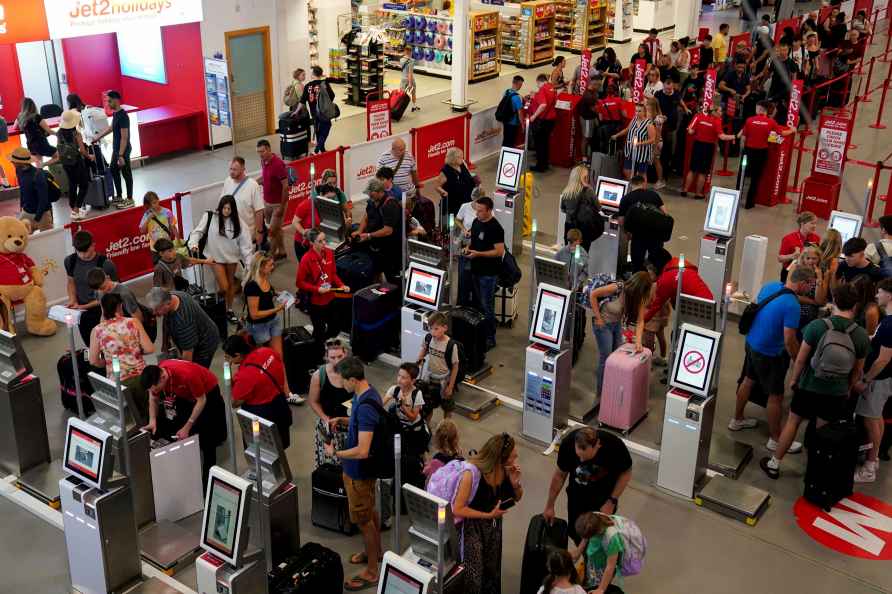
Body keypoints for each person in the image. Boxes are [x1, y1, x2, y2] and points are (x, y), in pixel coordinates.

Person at [760, 283, 870, 479]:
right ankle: (815, 470)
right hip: (836, 391)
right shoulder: (861, 335)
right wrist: (848, 387)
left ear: (834, 301)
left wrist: (794, 380)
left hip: (809, 385)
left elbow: (801, 359)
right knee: (822, 430)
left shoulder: (817, 326)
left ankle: (774, 463)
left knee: (793, 422)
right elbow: (857, 369)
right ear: (855, 306)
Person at [730, 267, 817, 450]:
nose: (811, 288)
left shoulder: (770, 286)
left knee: (748, 380)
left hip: (752, 343)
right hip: (771, 354)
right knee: (776, 396)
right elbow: (789, 339)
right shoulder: (792, 305)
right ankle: (776, 439)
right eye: (810, 284)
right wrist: (797, 360)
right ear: (802, 283)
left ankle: (737, 420)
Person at [324, 356, 384, 592]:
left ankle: (372, 571)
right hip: (356, 472)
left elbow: (362, 450)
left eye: (343, 382)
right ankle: (375, 552)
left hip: (359, 473)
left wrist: (336, 453)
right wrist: (345, 420)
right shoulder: (365, 394)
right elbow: (360, 424)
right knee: (369, 512)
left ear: (352, 379)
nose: (342, 386)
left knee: (364, 521)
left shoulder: (367, 405)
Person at [451, 433, 523, 594]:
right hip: (472, 529)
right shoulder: (472, 474)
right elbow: (458, 508)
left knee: (492, 570)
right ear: (500, 458)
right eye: (513, 454)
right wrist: (489, 515)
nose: (516, 456)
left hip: (494, 527)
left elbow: (516, 498)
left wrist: (515, 483)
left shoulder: (504, 472)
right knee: (474, 574)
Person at [140, 361, 226, 486]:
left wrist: (187, 426)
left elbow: (201, 401)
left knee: (208, 438)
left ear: (163, 378)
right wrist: (152, 420)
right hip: (185, 395)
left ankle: (207, 482)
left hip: (207, 394)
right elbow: (153, 398)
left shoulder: (187, 375)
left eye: (157, 388)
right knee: (179, 426)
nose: (156, 391)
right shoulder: (156, 376)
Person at [543, 426, 632, 545]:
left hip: (603, 504)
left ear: (598, 445)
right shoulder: (568, 444)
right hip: (577, 501)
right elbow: (560, 475)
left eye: (585, 457)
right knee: (578, 535)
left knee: (599, 542)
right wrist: (550, 506)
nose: (581, 460)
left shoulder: (614, 446)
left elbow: (626, 473)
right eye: (578, 456)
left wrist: (611, 501)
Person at [188, 195, 253, 322]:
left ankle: (228, 309)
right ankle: (217, 305)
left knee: (230, 285)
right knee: (224, 287)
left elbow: (246, 246)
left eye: (229, 209)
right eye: (224, 208)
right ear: (220, 207)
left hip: (232, 259)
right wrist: (193, 244)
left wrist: (250, 264)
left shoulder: (239, 223)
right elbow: (197, 232)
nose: (227, 211)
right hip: (215, 258)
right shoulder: (210, 216)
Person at [89, 293, 154, 419]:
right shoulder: (133, 322)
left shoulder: (97, 330)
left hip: (117, 381)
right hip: (140, 376)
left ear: (102, 309)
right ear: (120, 306)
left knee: (130, 420)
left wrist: (107, 361)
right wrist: (134, 352)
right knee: (147, 414)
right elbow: (150, 348)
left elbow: (93, 360)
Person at [223, 334, 293, 449]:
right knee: (279, 447)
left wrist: (228, 370)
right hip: (280, 407)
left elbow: (235, 402)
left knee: (260, 452)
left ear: (237, 355)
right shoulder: (267, 352)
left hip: (260, 417)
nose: (228, 360)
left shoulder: (245, 376)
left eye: (229, 357)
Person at [853, 278, 892, 482]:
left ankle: (869, 467)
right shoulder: (887, 320)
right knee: (876, 418)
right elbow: (878, 342)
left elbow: (883, 359)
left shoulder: (889, 325)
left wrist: (866, 379)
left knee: (870, 419)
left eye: (880, 292)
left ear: (889, 295)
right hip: (883, 380)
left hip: (879, 380)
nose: (877, 295)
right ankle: (873, 458)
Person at [590, 271, 652, 395]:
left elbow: (640, 321)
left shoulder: (639, 297)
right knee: (606, 358)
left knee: (616, 357)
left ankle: (611, 386)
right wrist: (598, 318)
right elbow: (593, 295)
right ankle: (601, 393)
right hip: (603, 324)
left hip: (616, 324)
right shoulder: (617, 288)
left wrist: (638, 341)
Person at [297, 229, 348, 350]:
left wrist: (341, 285)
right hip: (315, 302)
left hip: (330, 297)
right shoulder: (306, 259)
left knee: (335, 326)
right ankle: (317, 353)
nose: (324, 243)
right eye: (320, 241)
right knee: (319, 330)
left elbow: (333, 273)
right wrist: (317, 289)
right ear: (311, 243)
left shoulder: (330, 253)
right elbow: (299, 282)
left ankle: (323, 343)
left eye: (325, 239)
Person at [145, 287, 221, 369]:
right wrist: (165, 342)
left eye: (157, 309)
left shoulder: (183, 321)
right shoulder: (172, 295)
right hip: (199, 332)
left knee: (198, 372)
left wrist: (184, 371)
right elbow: (166, 319)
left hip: (205, 344)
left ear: (168, 303)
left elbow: (187, 353)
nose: (154, 313)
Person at [65, 230, 119, 343]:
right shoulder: (70, 261)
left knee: (108, 344)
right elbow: (71, 282)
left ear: (93, 245)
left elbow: (113, 293)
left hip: (103, 310)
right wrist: (73, 300)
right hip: (82, 312)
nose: (83, 255)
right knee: (90, 344)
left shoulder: (106, 264)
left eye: (86, 251)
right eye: (79, 252)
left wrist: (85, 305)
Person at [737, 101, 793, 209]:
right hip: (761, 153)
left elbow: (743, 138)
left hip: (748, 151)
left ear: (760, 109)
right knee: (755, 178)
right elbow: (782, 133)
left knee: (742, 175)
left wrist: (743, 152)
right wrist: (792, 130)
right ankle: (749, 203)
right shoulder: (771, 122)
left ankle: (736, 199)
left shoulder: (749, 120)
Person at [466, 196, 505, 350]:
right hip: (475, 269)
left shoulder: (496, 228)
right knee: (478, 304)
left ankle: (490, 337)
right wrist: (468, 248)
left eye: (481, 211)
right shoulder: (476, 222)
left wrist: (478, 254)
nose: (477, 213)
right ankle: (480, 331)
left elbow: (499, 251)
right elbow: (474, 241)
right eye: (476, 210)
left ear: (489, 210)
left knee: (486, 305)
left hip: (488, 273)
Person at [308, 338, 351, 464]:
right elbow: (313, 401)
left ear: (345, 353)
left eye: (340, 356)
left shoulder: (353, 371)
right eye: (332, 357)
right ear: (326, 356)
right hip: (329, 427)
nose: (337, 361)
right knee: (329, 465)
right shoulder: (318, 375)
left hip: (350, 425)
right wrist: (325, 418)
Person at [643, 249, 713, 323]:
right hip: (708, 305)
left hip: (697, 309)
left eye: (649, 268)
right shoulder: (680, 266)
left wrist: (641, 321)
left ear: (656, 267)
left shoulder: (666, 279)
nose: (648, 271)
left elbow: (655, 306)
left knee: (680, 332)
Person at [352, 179, 402, 283]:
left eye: (371, 193)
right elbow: (366, 216)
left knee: (392, 279)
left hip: (390, 249)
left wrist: (369, 235)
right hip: (375, 246)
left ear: (380, 192)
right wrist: (360, 231)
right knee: (374, 272)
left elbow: (388, 230)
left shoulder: (390, 204)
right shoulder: (371, 201)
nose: (369, 195)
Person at [683, 105, 736, 199]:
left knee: (692, 169)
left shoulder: (698, 116)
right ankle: (698, 193)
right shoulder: (717, 121)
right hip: (708, 147)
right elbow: (722, 137)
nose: (721, 113)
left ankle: (685, 190)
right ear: (714, 111)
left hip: (697, 145)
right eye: (720, 111)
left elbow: (690, 131)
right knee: (703, 172)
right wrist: (734, 136)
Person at [416, 311, 460, 420]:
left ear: (445, 328)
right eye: (430, 328)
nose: (432, 332)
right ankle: (427, 429)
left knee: (447, 409)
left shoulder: (451, 345)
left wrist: (450, 387)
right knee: (428, 407)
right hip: (430, 379)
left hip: (445, 381)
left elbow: (455, 367)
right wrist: (419, 359)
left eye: (436, 329)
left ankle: (446, 429)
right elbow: (424, 349)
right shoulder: (429, 338)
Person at [617, 176, 667, 273]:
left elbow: (621, 221)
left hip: (638, 236)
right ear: (644, 183)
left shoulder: (626, 198)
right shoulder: (654, 195)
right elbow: (665, 213)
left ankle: (638, 283)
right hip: (655, 235)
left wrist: (627, 233)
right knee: (656, 262)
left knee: (637, 263)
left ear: (631, 185)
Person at [243, 252, 288, 358]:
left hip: (273, 320)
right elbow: (254, 314)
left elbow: (267, 292)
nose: (273, 267)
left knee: (278, 356)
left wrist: (279, 293)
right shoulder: (252, 286)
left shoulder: (264, 278)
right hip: (259, 326)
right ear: (261, 267)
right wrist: (277, 309)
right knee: (265, 358)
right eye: (270, 265)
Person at [93, 90, 133, 208]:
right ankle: (119, 196)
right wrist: (98, 137)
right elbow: (111, 128)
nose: (108, 104)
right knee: (114, 171)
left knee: (126, 173)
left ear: (116, 100)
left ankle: (130, 199)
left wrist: (120, 155)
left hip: (123, 150)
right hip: (116, 149)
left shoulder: (123, 116)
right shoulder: (116, 113)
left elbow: (124, 138)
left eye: (109, 101)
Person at [573, 513, 624, 594]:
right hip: (593, 561)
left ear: (596, 532)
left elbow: (610, 567)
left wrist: (601, 589)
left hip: (603, 568)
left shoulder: (612, 539)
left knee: (596, 585)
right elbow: (584, 540)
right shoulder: (592, 520)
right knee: (590, 580)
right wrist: (578, 551)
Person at [56, 109, 92, 221]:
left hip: (65, 163)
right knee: (84, 185)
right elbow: (82, 150)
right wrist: (90, 156)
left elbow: (59, 149)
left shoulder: (59, 133)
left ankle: (72, 208)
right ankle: (77, 209)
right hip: (77, 162)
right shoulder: (76, 134)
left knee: (72, 184)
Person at [256, 139, 289, 260]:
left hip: (277, 204)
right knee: (277, 228)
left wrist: (281, 206)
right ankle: (282, 251)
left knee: (272, 232)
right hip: (267, 202)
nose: (261, 154)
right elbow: (265, 178)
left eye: (263, 151)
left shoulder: (278, 164)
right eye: (258, 152)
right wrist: (253, 183)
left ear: (269, 149)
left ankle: (270, 258)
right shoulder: (263, 162)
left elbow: (286, 187)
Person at [222, 156, 264, 247]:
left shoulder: (253, 185)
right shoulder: (227, 181)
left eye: (235, 169)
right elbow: (222, 203)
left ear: (243, 169)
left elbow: (259, 211)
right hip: (230, 233)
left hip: (247, 234)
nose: (231, 172)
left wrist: (259, 232)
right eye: (230, 169)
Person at [9, 147, 53, 232]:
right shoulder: (18, 170)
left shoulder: (38, 175)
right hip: (27, 211)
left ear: (21, 162)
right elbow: (22, 189)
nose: (11, 162)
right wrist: (22, 206)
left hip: (42, 213)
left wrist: (37, 219)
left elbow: (43, 199)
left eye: (13, 160)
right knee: (20, 234)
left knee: (48, 240)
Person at [786, 247, 829, 331]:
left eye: (814, 258)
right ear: (803, 258)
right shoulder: (795, 268)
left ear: (819, 259)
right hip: (795, 305)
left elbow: (820, 301)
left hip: (811, 312)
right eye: (808, 258)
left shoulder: (824, 273)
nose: (810, 261)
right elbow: (789, 293)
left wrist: (819, 278)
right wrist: (812, 302)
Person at [559, 164, 600, 252]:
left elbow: (563, 209)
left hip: (569, 228)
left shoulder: (566, 192)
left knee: (570, 253)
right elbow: (598, 207)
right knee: (582, 255)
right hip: (584, 229)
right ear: (585, 178)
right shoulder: (588, 191)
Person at [654, 78, 687, 180]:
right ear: (663, 86)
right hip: (660, 125)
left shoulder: (676, 94)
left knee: (668, 148)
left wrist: (686, 108)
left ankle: (666, 170)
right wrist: (659, 116)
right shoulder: (658, 94)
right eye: (667, 89)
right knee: (658, 147)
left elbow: (681, 102)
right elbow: (654, 105)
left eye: (670, 89)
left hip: (671, 126)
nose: (668, 91)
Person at [612, 103, 656, 180]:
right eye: (636, 111)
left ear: (644, 112)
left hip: (642, 152)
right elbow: (627, 129)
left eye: (639, 111)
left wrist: (639, 143)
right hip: (630, 150)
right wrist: (617, 135)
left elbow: (652, 139)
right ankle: (632, 185)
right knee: (626, 170)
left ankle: (641, 190)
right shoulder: (634, 119)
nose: (637, 113)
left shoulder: (648, 124)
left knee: (641, 174)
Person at [301, 65, 336, 153]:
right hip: (324, 111)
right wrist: (326, 103)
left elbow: (302, 101)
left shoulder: (307, 86)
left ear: (313, 74)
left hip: (314, 112)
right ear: (321, 74)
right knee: (326, 127)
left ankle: (321, 148)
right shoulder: (324, 84)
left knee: (318, 130)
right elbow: (332, 95)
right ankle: (319, 148)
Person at [778, 211, 821, 282]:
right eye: (812, 223)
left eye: (816, 223)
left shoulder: (816, 238)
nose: (815, 226)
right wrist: (792, 256)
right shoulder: (788, 238)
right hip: (790, 274)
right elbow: (780, 258)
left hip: (808, 273)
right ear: (802, 224)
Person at [763, 43, 801, 123]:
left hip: (785, 91)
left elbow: (794, 79)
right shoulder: (774, 61)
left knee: (781, 110)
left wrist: (793, 91)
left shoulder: (792, 63)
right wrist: (762, 83)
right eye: (781, 50)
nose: (783, 52)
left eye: (785, 50)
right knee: (769, 108)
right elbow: (768, 74)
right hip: (773, 88)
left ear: (788, 51)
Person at [434, 147, 475, 220]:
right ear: (453, 158)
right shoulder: (445, 171)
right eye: (460, 157)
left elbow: (468, 175)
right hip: (454, 204)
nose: (462, 158)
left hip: (467, 200)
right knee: (453, 225)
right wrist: (443, 192)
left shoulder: (463, 164)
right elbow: (437, 186)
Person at [529, 73, 558, 172]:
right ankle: (545, 163)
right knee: (545, 142)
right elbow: (552, 101)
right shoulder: (552, 88)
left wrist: (534, 116)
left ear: (539, 81)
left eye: (537, 84)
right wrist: (536, 95)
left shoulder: (542, 89)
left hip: (543, 121)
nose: (537, 87)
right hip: (551, 119)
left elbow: (543, 104)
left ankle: (540, 166)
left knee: (539, 143)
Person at [139, 191, 179, 263]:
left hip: (168, 246)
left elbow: (173, 227)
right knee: (159, 269)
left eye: (155, 202)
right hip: (155, 249)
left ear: (158, 199)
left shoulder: (167, 212)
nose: (154, 206)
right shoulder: (146, 215)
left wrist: (178, 241)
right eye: (151, 205)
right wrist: (148, 219)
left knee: (171, 267)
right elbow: (142, 230)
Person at [423, 418, 463, 483]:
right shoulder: (460, 456)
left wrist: (426, 466)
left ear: (437, 439)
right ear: (456, 437)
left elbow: (426, 473)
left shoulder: (437, 460)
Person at [501, 76, 525, 147]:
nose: (520, 87)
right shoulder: (517, 97)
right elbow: (520, 112)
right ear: (518, 84)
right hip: (513, 123)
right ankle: (509, 156)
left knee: (505, 140)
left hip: (505, 120)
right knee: (511, 142)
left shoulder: (506, 92)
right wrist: (522, 125)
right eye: (521, 85)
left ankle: (503, 155)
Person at [399, 45, 419, 112]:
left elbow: (403, 70)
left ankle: (399, 107)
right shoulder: (412, 61)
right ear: (410, 52)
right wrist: (410, 83)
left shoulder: (401, 60)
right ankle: (414, 106)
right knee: (413, 93)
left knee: (402, 94)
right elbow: (410, 73)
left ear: (404, 51)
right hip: (410, 80)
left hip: (403, 79)